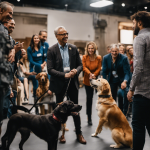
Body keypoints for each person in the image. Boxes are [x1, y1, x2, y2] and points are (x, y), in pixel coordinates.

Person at [47, 26, 86, 144]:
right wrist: (64, 75)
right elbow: (50, 70)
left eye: (66, 33)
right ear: (56, 36)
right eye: (63, 34)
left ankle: (79, 133)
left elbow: (80, 65)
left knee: (75, 110)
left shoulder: (73, 48)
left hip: (72, 84)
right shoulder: (52, 50)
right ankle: (60, 134)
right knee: (59, 111)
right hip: (59, 85)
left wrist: (76, 71)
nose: (66, 36)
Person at [127, 11, 150, 150]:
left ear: (140, 22)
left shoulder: (140, 38)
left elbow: (139, 67)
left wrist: (131, 89)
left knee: (138, 126)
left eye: (134, 22)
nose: (133, 25)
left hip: (142, 92)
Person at [102, 44, 130, 115]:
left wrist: (125, 81)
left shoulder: (124, 58)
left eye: (116, 51)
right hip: (112, 80)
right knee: (112, 97)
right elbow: (104, 72)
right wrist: (104, 82)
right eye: (113, 51)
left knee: (124, 94)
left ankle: (124, 113)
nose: (114, 53)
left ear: (118, 51)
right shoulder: (106, 58)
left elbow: (127, 72)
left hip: (121, 80)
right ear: (110, 51)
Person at [0, 2, 14, 146]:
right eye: (9, 13)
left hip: (3, 82)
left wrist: (12, 50)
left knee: (1, 115)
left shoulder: (3, 30)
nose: (10, 18)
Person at [82, 41, 102, 125]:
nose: (90, 50)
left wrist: (95, 74)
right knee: (89, 99)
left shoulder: (99, 57)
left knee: (100, 98)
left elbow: (99, 67)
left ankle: (102, 116)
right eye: (89, 48)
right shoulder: (84, 57)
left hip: (96, 80)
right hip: (87, 80)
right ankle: (89, 117)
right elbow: (84, 67)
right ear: (87, 49)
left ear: (95, 49)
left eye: (92, 48)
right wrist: (90, 74)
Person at [27, 34, 45, 99]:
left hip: (41, 68)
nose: (36, 39)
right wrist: (40, 65)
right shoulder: (29, 48)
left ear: (39, 39)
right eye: (35, 38)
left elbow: (45, 57)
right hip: (33, 68)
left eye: (37, 38)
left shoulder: (42, 47)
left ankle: (42, 96)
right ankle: (35, 97)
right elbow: (31, 61)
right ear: (33, 39)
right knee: (36, 80)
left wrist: (44, 63)